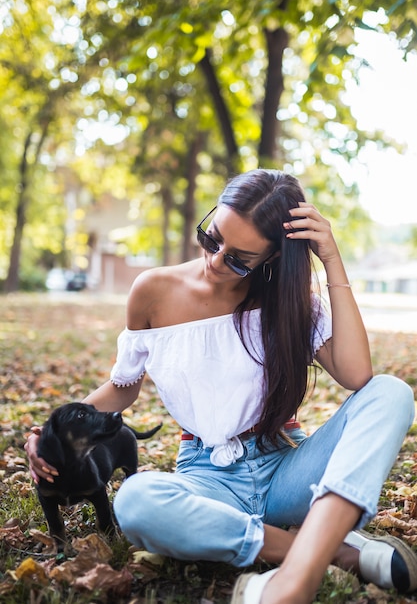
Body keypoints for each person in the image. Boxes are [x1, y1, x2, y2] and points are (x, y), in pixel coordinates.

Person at [26, 169, 417, 604]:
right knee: (136, 501)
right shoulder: (153, 290)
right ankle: (327, 552)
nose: (216, 260)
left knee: (391, 392)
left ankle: (295, 576)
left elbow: (357, 376)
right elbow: (123, 388)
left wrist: (331, 261)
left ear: (270, 258)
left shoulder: (288, 301)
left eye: (238, 259)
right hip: (208, 476)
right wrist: (51, 429)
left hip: (288, 467)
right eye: (212, 240)